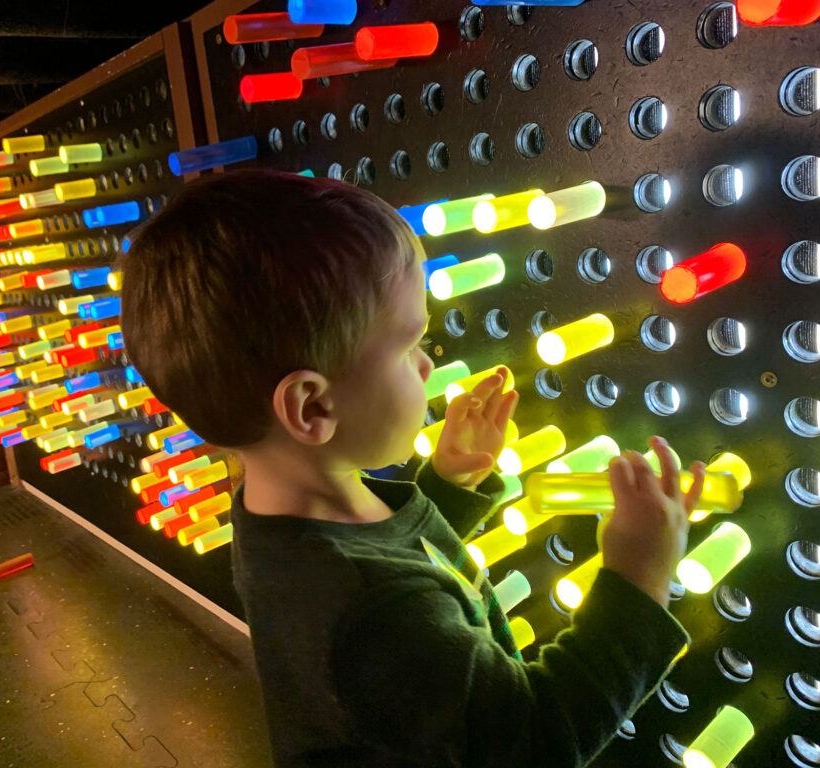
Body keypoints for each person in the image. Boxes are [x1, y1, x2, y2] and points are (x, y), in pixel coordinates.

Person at [116, 169, 708, 767]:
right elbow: (534, 741)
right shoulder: (374, 613)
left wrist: (447, 487)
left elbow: (391, 556)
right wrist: (637, 581)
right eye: (407, 347)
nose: (428, 367)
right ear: (312, 407)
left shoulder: (288, 517)